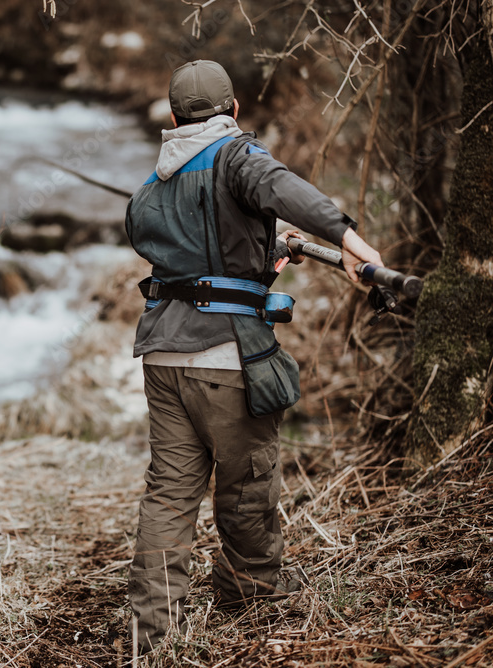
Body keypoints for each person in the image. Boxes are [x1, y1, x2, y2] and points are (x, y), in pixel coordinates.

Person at [124, 59, 384, 652]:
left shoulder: (154, 184)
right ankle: (251, 596)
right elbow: (282, 187)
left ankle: (149, 629)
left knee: (169, 490)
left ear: (172, 117)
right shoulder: (237, 155)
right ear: (234, 110)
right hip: (225, 359)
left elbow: (193, 258)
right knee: (246, 485)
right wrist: (348, 240)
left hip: (163, 357)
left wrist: (261, 256)